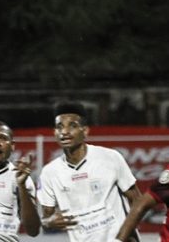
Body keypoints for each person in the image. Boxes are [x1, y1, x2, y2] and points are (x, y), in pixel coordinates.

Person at [38, 101, 141, 242]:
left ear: (85, 131)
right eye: (59, 127)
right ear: (55, 133)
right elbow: (46, 220)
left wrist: (124, 236)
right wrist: (48, 223)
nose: (65, 132)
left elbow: (137, 200)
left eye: (72, 126)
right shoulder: (49, 172)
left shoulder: (110, 157)